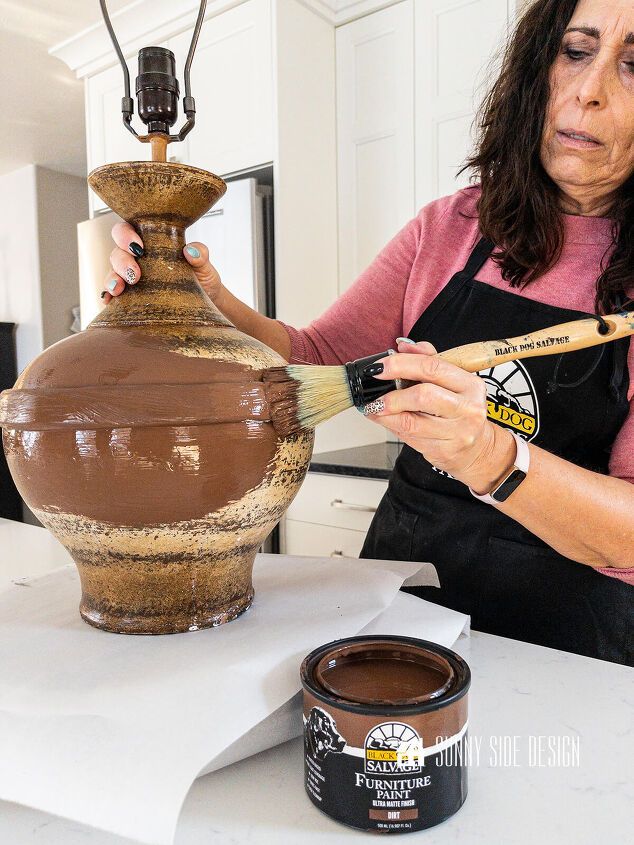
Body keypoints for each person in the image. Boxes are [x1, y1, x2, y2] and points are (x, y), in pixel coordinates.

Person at [104, 0, 634, 665]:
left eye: (633, 65)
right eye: (576, 51)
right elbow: (315, 359)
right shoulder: (452, 227)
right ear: (537, 68)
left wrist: (494, 457)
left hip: (564, 644)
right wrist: (203, 300)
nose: (590, 91)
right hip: (404, 599)